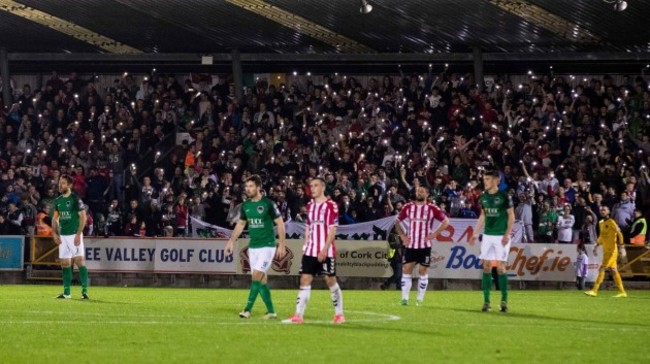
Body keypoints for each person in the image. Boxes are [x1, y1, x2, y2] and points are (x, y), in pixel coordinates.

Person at [225, 175, 286, 319]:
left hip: (267, 246)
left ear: (258, 187)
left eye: (251, 186)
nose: (248, 189)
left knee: (256, 276)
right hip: (253, 247)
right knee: (262, 279)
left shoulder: (268, 203)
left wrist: (282, 244)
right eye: (247, 187)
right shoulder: (246, 205)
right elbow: (240, 225)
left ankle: (247, 310)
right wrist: (231, 241)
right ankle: (271, 311)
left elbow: (280, 223)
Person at [287, 177, 345, 324]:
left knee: (330, 279)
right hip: (310, 250)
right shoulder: (310, 205)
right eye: (311, 186)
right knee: (304, 279)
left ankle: (339, 314)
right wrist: (305, 245)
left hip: (326, 250)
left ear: (323, 188)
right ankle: (298, 315)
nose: (312, 188)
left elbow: (333, 229)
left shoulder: (331, 205)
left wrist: (324, 249)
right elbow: (308, 227)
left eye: (315, 185)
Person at [395, 185, 449, 306]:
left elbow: (446, 221)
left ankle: (419, 299)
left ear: (427, 195)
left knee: (422, 271)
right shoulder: (408, 207)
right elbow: (397, 221)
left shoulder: (432, 208)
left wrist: (435, 233)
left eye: (422, 191)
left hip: (425, 245)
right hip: (411, 245)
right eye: (418, 191)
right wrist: (402, 236)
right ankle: (405, 299)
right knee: (406, 269)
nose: (419, 193)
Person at [469, 170, 515, 313]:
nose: (485, 181)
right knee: (487, 267)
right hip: (488, 236)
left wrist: (507, 234)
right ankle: (487, 301)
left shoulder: (504, 196)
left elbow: (511, 216)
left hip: (501, 236)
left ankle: (504, 300)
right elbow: (483, 215)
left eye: (488, 179)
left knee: (500, 268)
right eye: (484, 179)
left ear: (497, 180)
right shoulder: (482, 197)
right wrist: (475, 232)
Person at [51, 175, 89, 300]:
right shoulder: (58, 200)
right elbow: (55, 219)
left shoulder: (75, 199)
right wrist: (54, 233)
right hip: (63, 236)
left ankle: (84, 292)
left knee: (79, 261)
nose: (60, 185)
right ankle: (67, 293)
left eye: (62, 183)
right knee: (65, 263)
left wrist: (78, 234)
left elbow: (83, 217)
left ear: (69, 185)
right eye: (59, 183)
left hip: (74, 234)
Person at [584, 206, 627, 298]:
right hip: (605, 250)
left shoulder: (612, 222)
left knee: (602, 268)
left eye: (604, 210)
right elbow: (602, 236)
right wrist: (596, 245)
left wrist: (622, 246)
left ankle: (594, 290)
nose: (602, 211)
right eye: (601, 210)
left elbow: (620, 234)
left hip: (612, 250)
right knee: (613, 270)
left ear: (608, 212)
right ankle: (622, 292)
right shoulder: (601, 222)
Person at [380, 226, 403, 291]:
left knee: (400, 275)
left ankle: (399, 287)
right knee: (397, 274)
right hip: (394, 258)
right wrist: (400, 245)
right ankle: (386, 284)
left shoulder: (398, 236)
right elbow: (392, 245)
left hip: (399, 257)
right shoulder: (391, 235)